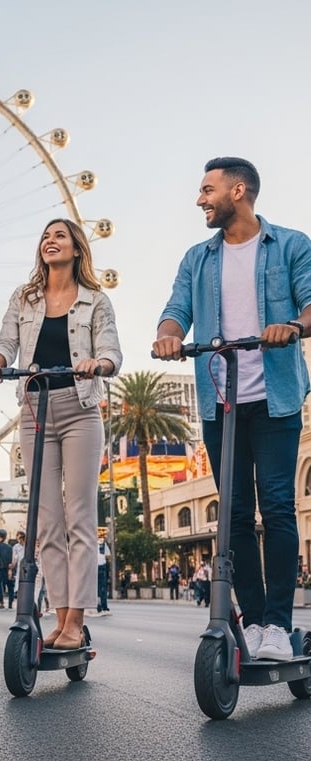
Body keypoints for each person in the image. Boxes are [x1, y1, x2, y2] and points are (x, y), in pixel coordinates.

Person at [153, 157, 311, 662]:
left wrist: (294, 327)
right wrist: (168, 336)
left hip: (276, 397)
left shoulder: (290, 245)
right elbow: (178, 310)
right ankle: (256, 619)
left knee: (280, 507)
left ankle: (280, 627)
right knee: (235, 516)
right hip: (221, 400)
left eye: (207, 190)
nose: (200, 199)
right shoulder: (197, 258)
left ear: (237, 191)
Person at [0, 218, 122, 649]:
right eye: (45, 236)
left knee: (80, 516)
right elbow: (5, 342)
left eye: (59, 236)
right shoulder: (25, 298)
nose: (49, 241)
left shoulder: (95, 300)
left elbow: (111, 348)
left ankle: (76, 620)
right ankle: (60, 617)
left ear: (77, 248)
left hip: (79, 408)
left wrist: (101, 364)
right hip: (34, 411)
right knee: (47, 521)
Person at [0, 528, 14, 609]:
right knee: (10, 586)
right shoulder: (10, 547)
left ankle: (1, 602)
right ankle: (10, 603)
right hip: (8, 569)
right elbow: (11, 559)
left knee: (0, 586)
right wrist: (10, 569)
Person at [97, 536, 111, 614]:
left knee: (98, 588)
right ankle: (103, 606)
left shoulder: (89, 541)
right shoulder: (103, 543)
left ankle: (99, 605)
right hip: (101, 565)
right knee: (102, 588)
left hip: (95, 566)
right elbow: (108, 555)